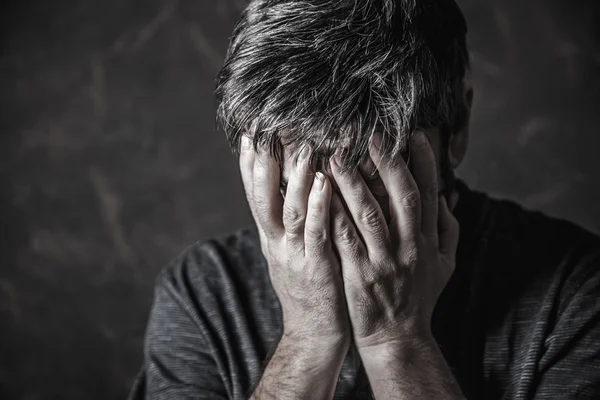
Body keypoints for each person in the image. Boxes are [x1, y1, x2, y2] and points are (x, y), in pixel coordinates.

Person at [129, 0, 600, 399]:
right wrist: (308, 339)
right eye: (302, 183)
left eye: (366, 181)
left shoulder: (576, 292)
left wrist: (398, 339)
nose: (334, 220)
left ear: (455, 127)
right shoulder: (203, 292)